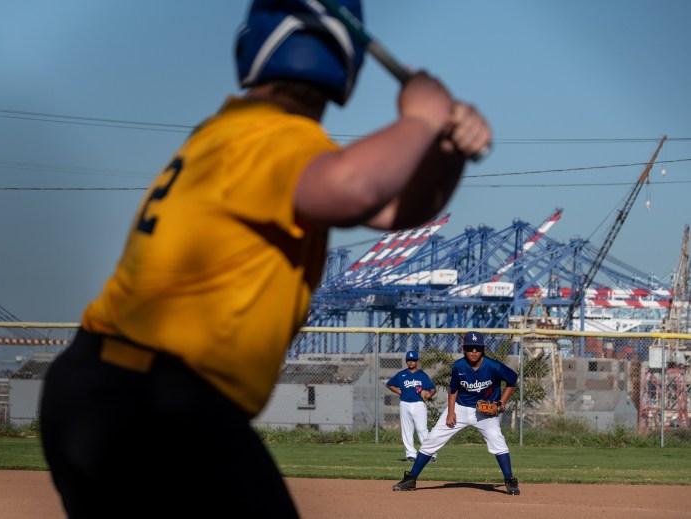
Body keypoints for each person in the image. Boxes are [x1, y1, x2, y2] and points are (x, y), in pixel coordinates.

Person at [38, 0, 491, 516]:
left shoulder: (235, 132)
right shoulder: (269, 134)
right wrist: (422, 118)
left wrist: (445, 149)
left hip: (109, 391)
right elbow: (359, 186)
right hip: (151, 401)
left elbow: (394, 209)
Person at [392, 331, 520, 495]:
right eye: (470, 348)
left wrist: (502, 402)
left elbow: (512, 379)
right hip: (460, 407)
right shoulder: (459, 366)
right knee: (432, 440)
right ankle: (411, 479)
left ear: (484, 348)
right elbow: (453, 390)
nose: (474, 351)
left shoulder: (493, 366)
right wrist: (451, 412)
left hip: (484, 412)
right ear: (463, 349)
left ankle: (510, 480)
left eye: (477, 348)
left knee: (497, 441)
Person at [386, 350, 437, 461]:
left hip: (419, 404)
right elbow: (389, 384)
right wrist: (399, 392)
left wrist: (429, 394)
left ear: (417, 361)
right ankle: (411, 454)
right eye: (409, 360)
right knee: (407, 430)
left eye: (413, 360)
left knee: (422, 430)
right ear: (406, 361)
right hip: (404, 404)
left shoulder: (422, 375)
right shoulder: (401, 375)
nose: (411, 362)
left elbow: (433, 388)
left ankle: (430, 453)